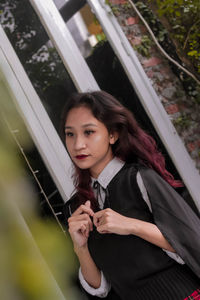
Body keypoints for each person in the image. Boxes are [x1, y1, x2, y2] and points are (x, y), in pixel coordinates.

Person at [61, 90, 200, 300]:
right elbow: (102, 288)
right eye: (70, 134)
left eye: (88, 132)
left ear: (112, 134)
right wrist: (80, 249)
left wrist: (131, 225)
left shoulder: (139, 179)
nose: (78, 144)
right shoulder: (77, 207)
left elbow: (190, 240)